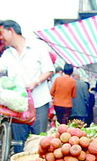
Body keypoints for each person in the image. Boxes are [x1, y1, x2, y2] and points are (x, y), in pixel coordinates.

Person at [0, 20, 55, 152]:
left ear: (11, 31)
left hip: (39, 102)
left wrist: (35, 83)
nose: (0, 38)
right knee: (19, 143)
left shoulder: (38, 46)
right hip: (18, 106)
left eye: (1, 33)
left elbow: (49, 70)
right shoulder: (7, 54)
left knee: (38, 140)